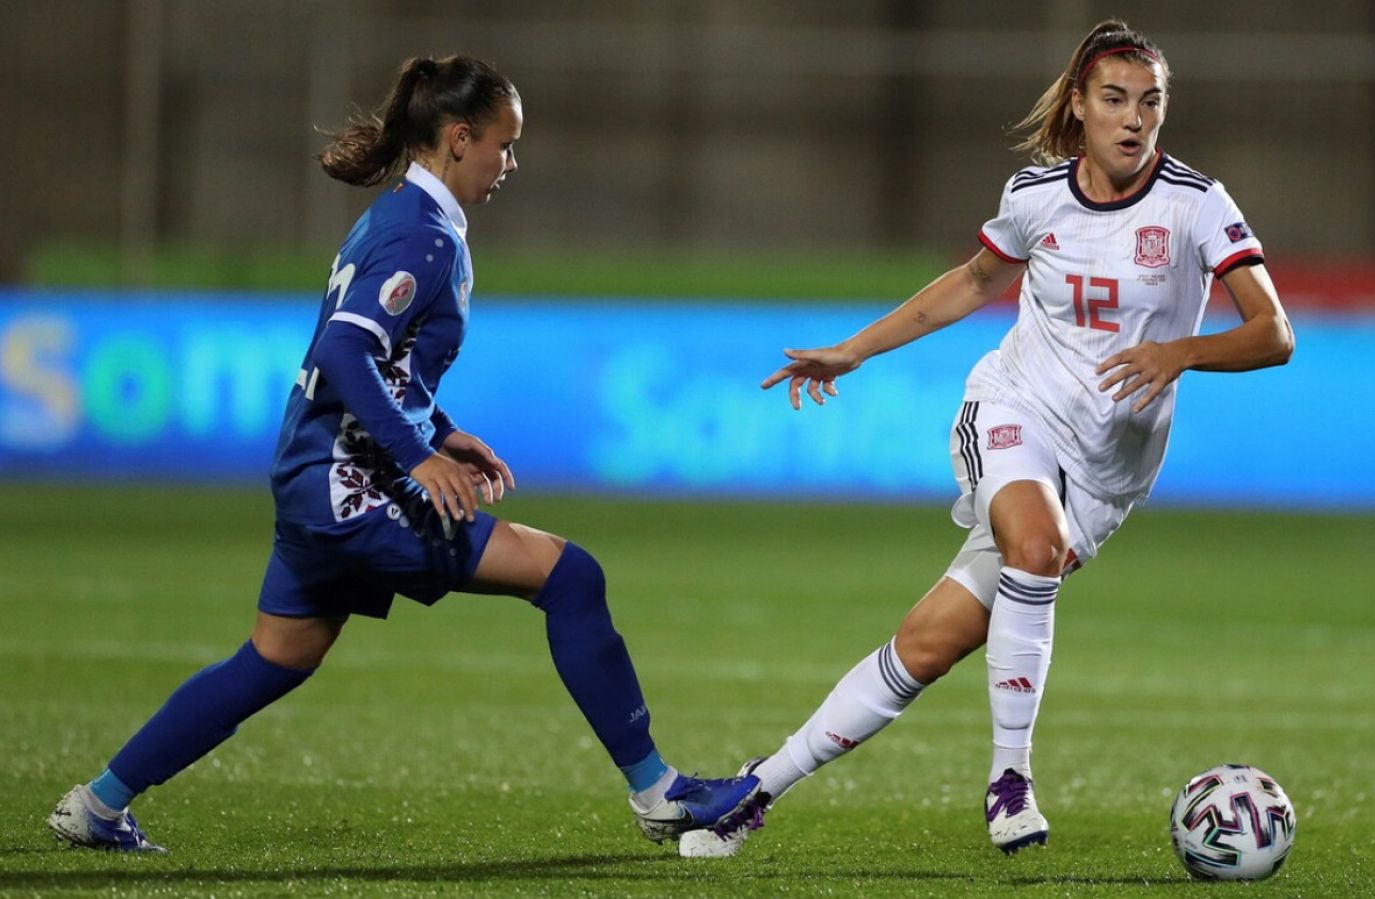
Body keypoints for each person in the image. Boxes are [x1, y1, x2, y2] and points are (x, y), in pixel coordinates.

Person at [47, 55, 757, 853]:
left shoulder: (399, 219)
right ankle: (659, 792)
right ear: (459, 139)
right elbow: (345, 354)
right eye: (503, 144)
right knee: (569, 574)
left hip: (315, 474)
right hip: (354, 487)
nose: (510, 163)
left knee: (277, 655)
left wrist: (440, 426)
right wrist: (418, 456)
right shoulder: (422, 235)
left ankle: (98, 805)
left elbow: (374, 355)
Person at [680, 19, 1294, 858]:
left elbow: (1274, 334)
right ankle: (1011, 779)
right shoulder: (1036, 196)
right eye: (1114, 100)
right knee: (1033, 547)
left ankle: (757, 787)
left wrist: (1180, 350)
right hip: (1014, 408)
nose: (1134, 120)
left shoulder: (1195, 203)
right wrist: (853, 349)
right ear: (1078, 105)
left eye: (1150, 103)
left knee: (926, 647)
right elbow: (971, 284)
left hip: (1106, 475)